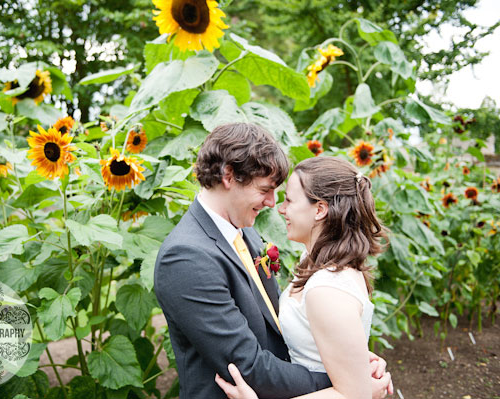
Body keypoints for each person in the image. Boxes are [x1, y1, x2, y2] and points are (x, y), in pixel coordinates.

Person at [154, 123, 391, 399]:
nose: (272, 203)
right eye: (265, 189)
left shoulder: (247, 234)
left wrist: (347, 354)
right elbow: (249, 367)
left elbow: (277, 326)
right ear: (229, 176)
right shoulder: (186, 257)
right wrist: (346, 379)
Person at [215, 156, 392, 399]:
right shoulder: (314, 262)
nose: (281, 208)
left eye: (289, 200)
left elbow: (354, 394)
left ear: (319, 210)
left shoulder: (328, 289)